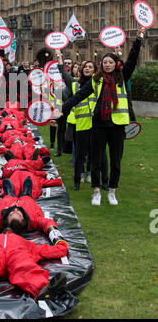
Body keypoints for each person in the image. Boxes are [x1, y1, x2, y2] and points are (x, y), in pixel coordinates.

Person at [59, 26, 146, 205]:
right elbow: (78, 96)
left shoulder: (122, 77)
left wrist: (138, 39)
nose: (107, 64)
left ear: (116, 64)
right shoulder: (96, 80)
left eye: (110, 62)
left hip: (117, 125)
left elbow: (132, 59)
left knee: (115, 161)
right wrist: (63, 109)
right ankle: (96, 191)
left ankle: (112, 191)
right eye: (104, 62)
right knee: (96, 160)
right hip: (99, 124)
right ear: (102, 65)